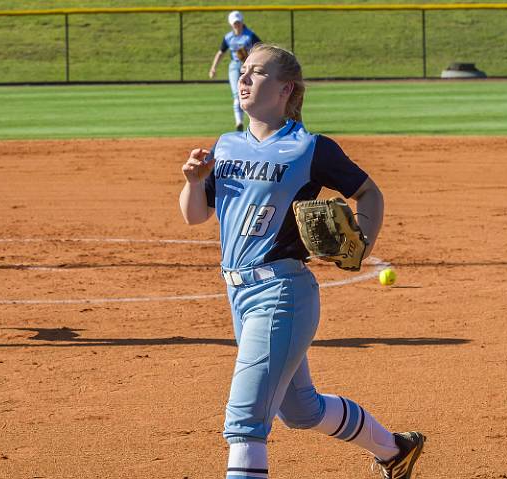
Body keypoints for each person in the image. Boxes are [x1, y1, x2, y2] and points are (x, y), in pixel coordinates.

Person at [180, 43, 424, 479]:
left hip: (281, 294)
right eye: (243, 71)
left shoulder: (309, 148)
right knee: (301, 409)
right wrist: (195, 182)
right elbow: (196, 215)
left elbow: (370, 192)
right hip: (238, 294)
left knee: (245, 421)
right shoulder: (226, 145)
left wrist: (362, 243)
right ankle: (395, 450)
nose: (244, 77)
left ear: (285, 89)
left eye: (257, 72)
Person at [208, 10, 262, 132]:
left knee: (251, 95)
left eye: (238, 22)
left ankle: (255, 123)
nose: (236, 25)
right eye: (234, 23)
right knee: (236, 95)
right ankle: (239, 123)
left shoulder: (249, 35)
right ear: (231, 24)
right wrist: (213, 68)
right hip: (234, 67)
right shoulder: (228, 37)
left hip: (248, 67)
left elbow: (262, 49)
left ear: (242, 22)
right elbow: (221, 52)